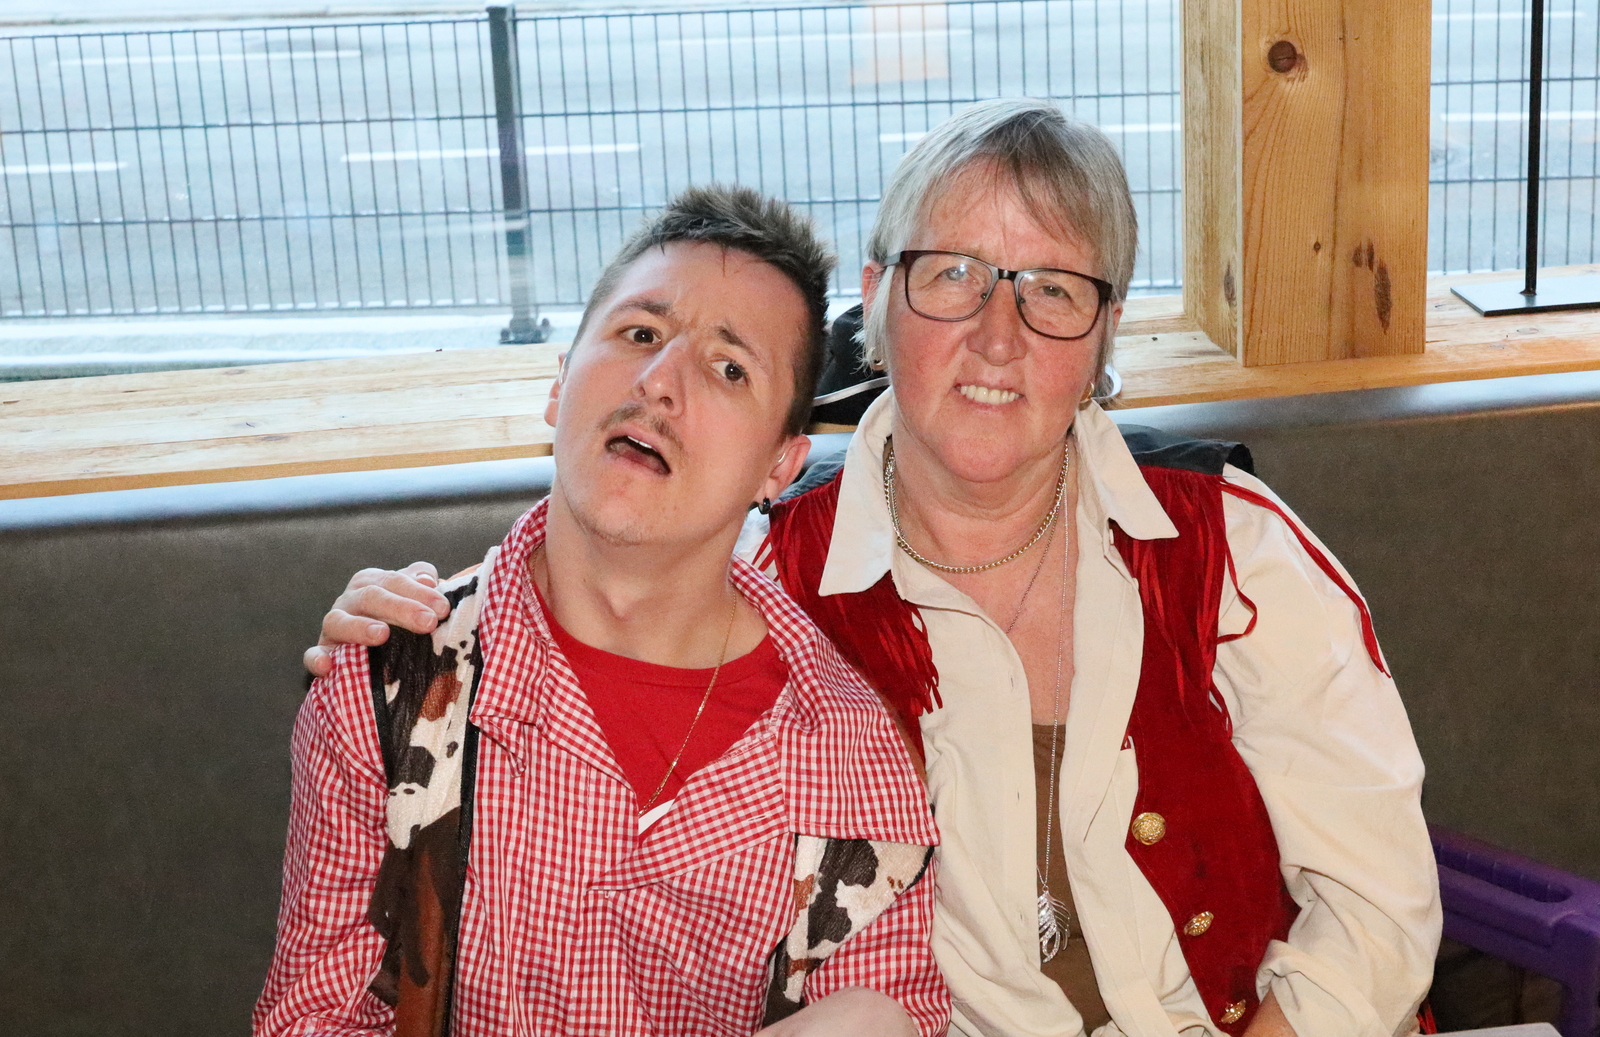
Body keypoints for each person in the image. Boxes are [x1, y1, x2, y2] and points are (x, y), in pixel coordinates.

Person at [307, 101, 1442, 1037]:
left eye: (1053, 289)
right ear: (878, 298)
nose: (998, 334)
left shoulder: (1227, 544)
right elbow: (614, 554)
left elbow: (1379, 907)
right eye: (952, 274)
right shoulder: (778, 577)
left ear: (1104, 336)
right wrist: (405, 629)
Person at [257, 186, 949, 1037]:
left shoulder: (850, 759)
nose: (661, 383)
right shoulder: (389, 686)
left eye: (730, 368)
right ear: (560, 384)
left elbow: (901, 1007)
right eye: (641, 334)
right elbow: (312, 1018)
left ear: (780, 464)